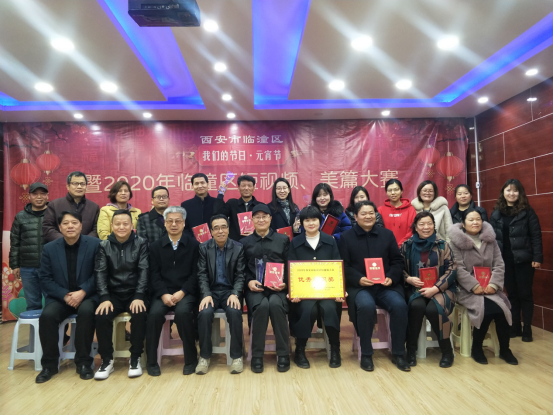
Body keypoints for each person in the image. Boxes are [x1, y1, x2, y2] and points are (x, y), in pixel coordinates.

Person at [338, 201, 410, 372]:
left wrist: (391, 277)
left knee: (399, 305)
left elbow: (397, 261)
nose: (368, 216)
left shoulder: (387, 235)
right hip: (361, 287)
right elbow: (343, 265)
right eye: (363, 213)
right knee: (366, 306)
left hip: (386, 286)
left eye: (371, 213)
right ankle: (366, 353)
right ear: (355, 216)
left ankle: (399, 353)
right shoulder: (346, 238)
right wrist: (359, 279)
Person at [35, 211, 100, 383]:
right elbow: (45, 278)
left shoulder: (95, 244)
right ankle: (49, 365)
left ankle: (84, 363)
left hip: (87, 295)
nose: (70, 226)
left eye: (74, 222)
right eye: (65, 223)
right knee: (47, 316)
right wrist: (64, 295)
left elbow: (99, 274)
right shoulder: (49, 248)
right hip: (60, 297)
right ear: (59, 227)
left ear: (81, 225)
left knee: (86, 312)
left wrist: (83, 291)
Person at [449, 209, 519, 365]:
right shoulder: (455, 242)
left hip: (490, 287)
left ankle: (505, 349)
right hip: (466, 289)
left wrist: (493, 285)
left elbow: (499, 264)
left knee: (503, 310)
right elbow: (458, 268)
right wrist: (474, 286)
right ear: (463, 223)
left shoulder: (490, 240)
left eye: (478, 219)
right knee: (485, 308)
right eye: (471, 220)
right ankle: (477, 347)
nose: (475, 222)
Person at [94, 210, 149, 380]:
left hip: (135, 293)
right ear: (112, 226)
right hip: (113, 294)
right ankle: (107, 360)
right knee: (101, 315)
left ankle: (135, 357)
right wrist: (104, 297)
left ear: (132, 225)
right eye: (117, 224)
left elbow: (144, 270)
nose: (121, 227)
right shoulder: (104, 245)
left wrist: (139, 295)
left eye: (125, 224)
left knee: (140, 313)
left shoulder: (141, 243)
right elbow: (100, 273)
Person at [288, 206, 344, 369]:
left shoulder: (330, 241)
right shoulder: (295, 242)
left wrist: (339, 290)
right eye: (307, 220)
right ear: (302, 223)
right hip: (304, 293)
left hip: (327, 292)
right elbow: (290, 269)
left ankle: (335, 348)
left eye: (314, 220)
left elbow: (337, 267)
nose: (311, 223)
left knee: (330, 309)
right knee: (308, 310)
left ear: (320, 221)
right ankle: (300, 349)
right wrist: (293, 292)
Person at [146, 206, 200, 377]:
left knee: (183, 314)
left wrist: (182, 292)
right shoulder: (155, 246)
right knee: (154, 315)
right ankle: (151, 361)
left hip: (185, 292)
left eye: (178, 221)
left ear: (184, 223)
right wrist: (163, 294)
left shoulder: (194, 245)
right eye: (170, 221)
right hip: (163, 293)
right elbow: (153, 274)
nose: (174, 224)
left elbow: (196, 273)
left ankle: (191, 360)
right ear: (165, 223)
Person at [400, 212, 457, 368]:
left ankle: (447, 351)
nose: (426, 227)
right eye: (422, 224)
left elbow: (452, 269)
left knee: (434, 309)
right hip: (416, 289)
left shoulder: (443, 245)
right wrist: (408, 279)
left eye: (429, 223)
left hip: (442, 289)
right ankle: (411, 350)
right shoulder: (407, 246)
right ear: (415, 227)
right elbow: (399, 267)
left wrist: (436, 288)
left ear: (434, 225)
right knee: (416, 307)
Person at [489, 179, 542, 342]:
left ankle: (527, 328)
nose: (511, 193)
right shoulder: (496, 213)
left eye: (515, 190)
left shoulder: (528, 212)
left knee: (525, 294)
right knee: (511, 294)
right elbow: (492, 239)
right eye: (508, 190)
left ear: (520, 193)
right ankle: (515, 326)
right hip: (504, 261)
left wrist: (537, 257)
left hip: (524, 260)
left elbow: (536, 235)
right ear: (503, 192)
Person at [241, 204, 290, 373]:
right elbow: (241, 269)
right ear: (252, 220)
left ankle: (283, 354)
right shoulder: (244, 242)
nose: (261, 220)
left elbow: (290, 265)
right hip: (255, 289)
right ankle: (257, 355)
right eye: (257, 217)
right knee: (261, 307)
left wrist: (285, 283)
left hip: (278, 289)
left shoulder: (283, 240)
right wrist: (249, 282)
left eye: (264, 216)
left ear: (270, 218)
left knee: (275, 305)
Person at [195, 214, 246, 375]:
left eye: (223, 227)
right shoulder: (204, 248)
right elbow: (202, 274)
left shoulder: (238, 247)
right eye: (216, 228)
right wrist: (206, 294)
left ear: (228, 229)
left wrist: (235, 293)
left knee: (234, 312)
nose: (220, 231)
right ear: (211, 231)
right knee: (204, 313)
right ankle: (204, 357)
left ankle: (237, 357)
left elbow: (240, 275)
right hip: (211, 292)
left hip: (230, 292)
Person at [9, 182, 49, 311]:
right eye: (35, 194)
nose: (39, 197)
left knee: (53, 302)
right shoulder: (20, 216)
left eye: (42, 194)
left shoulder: (53, 214)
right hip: (27, 267)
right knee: (32, 304)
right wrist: (15, 265)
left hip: (50, 266)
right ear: (29, 196)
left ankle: (52, 325)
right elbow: (15, 242)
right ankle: (34, 325)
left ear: (47, 196)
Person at [42, 171, 100, 242]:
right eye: (75, 184)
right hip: (61, 246)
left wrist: (84, 242)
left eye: (82, 184)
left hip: (87, 246)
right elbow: (48, 227)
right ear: (68, 186)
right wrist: (66, 242)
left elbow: (96, 229)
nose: (79, 187)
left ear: (86, 186)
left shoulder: (94, 207)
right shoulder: (54, 205)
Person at [214, 174, 262, 241]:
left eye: (249, 186)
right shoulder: (232, 203)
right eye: (243, 185)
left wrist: (256, 234)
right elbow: (218, 214)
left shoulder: (260, 206)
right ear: (238, 188)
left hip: (255, 242)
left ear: (254, 188)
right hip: (235, 244)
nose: (246, 188)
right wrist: (221, 193)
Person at [378, 179, 417, 247]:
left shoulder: (410, 209)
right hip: (386, 248)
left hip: (406, 247)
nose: (393, 193)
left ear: (401, 191)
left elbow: (412, 230)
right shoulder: (380, 210)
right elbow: (379, 230)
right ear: (386, 192)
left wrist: (400, 245)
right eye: (389, 190)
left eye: (396, 189)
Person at [181, 173, 220, 239]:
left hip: (215, 241)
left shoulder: (217, 202)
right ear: (192, 186)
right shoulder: (185, 205)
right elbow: (184, 227)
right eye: (196, 184)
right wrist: (192, 240)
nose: (200, 186)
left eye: (202, 183)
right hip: (193, 242)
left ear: (208, 184)